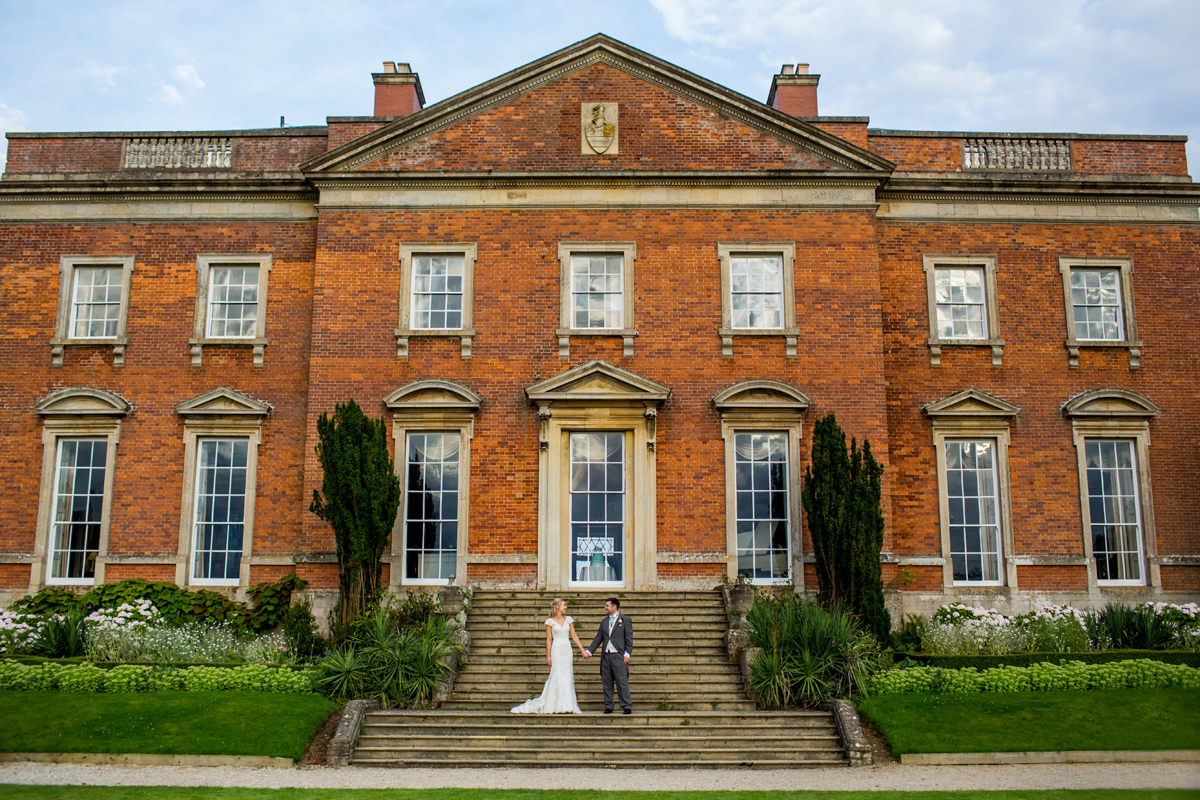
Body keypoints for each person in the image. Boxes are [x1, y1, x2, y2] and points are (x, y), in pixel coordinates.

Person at [510, 598, 586, 714]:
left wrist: (582, 650)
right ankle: (553, 704)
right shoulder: (550, 621)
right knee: (557, 674)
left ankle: (567, 704)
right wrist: (548, 656)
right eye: (564, 605)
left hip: (566, 649)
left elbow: (574, 636)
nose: (566, 607)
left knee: (567, 675)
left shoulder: (569, 620)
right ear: (557, 606)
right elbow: (549, 639)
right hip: (556, 649)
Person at [582, 596, 633, 714]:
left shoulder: (625, 620)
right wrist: (589, 651)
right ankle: (609, 705)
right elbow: (599, 638)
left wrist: (627, 654)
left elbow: (629, 639)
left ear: (614, 607)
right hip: (606, 656)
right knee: (607, 682)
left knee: (622, 681)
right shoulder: (604, 621)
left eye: (607, 606)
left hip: (618, 655)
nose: (605, 607)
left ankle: (626, 705)